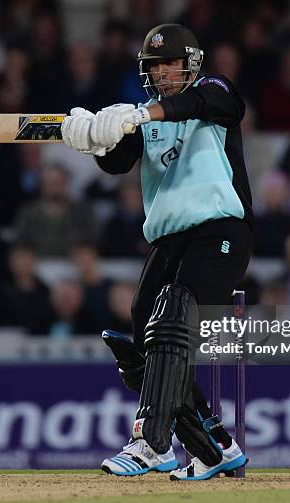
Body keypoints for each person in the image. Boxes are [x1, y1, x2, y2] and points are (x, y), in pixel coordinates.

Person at [61, 24, 251, 480]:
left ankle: (152, 444)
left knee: (171, 316)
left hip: (219, 230)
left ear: (190, 64)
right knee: (148, 346)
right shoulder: (146, 120)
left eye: (172, 64)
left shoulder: (210, 92)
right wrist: (93, 137)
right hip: (169, 240)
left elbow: (220, 102)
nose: (164, 72)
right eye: (156, 67)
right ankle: (215, 448)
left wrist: (145, 114)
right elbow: (117, 160)